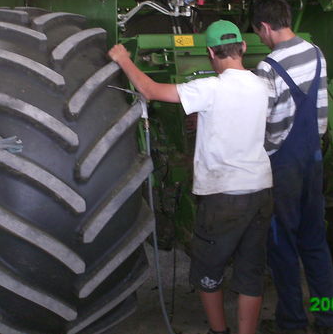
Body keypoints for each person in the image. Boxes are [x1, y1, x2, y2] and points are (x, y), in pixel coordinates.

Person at [108, 20, 273, 334]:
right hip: (261, 190)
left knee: (208, 268)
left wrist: (123, 58)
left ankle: (218, 331)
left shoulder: (209, 88)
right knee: (251, 271)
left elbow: (150, 90)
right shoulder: (262, 85)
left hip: (223, 195)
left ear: (211, 52)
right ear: (243, 48)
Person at [251, 0, 333, 334]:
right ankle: (330, 319)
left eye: (259, 33)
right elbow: (318, 108)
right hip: (313, 159)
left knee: (282, 244)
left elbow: (270, 126)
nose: (260, 39)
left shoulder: (268, 67)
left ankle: (291, 323)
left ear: (264, 27)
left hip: (284, 168)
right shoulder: (316, 53)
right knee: (315, 241)